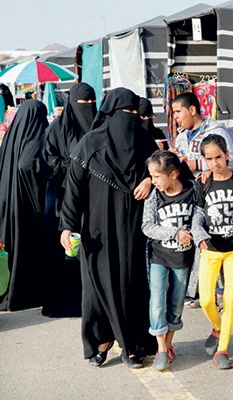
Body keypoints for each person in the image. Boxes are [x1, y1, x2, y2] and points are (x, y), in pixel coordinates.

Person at [60, 87, 158, 369]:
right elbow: (73, 191)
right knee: (96, 288)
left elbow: (166, 167)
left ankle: (133, 346)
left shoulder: (143, 140)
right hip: (97, 230)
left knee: (131, 284)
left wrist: (150, 180)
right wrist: (66, 227)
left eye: (134, 113)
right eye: (126, 112)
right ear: (112, 112)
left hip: (133, 229)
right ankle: (100, 342)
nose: (132, 118)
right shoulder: (90, 144)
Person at [142, 150, 209, 371]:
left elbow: (200, 215)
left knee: (176, 304)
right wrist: (174, 232)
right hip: (160, 256)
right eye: (151, 177)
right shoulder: (154, 196)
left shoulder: (192, 191)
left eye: (157, 177)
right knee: (157, 303)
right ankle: (161, 349)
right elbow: (147, 227)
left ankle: (168, 345)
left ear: (173, 174)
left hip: (183, 259)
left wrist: (195, 231)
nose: (154, 182)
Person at [171, 91, 233, 304]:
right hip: (190, 195)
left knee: (216, 240)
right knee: (198, 241)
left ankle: (222, 293)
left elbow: (231, 161)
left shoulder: (215, 130)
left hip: (215, 194)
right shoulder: (182, 136)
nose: (176, 118)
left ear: (192, 110)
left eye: (178, 112)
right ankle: (201, 290)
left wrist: (197, 165)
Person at [42, 82, 96, 318]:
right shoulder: (56, 129)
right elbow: (48, 158)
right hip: (66, 196)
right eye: (82, 103)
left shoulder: (99, 126)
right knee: (69, 247)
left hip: (95, 196)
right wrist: (72, 169)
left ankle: (94, 300)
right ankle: (68, 301)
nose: (87, 108)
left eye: (91, 103)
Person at [197, 134, 233, 370]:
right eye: (209, 159)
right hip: (211, 249)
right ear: (204, 160)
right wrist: (197, 234)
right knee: (206, 299)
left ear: (227, 155)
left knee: (230, 299)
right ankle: (217, 327)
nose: (215, 163)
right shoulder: (203, 182)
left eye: (218, 157)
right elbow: (196, 213)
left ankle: (223, 349)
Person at [0, 100, 50, 311]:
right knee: (28, 250)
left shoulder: (10, 140)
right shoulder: (39, 140)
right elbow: (30, 167)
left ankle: (6, 290)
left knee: (9, 250)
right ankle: (27, 292)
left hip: (6, 204)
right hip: (27, 207)